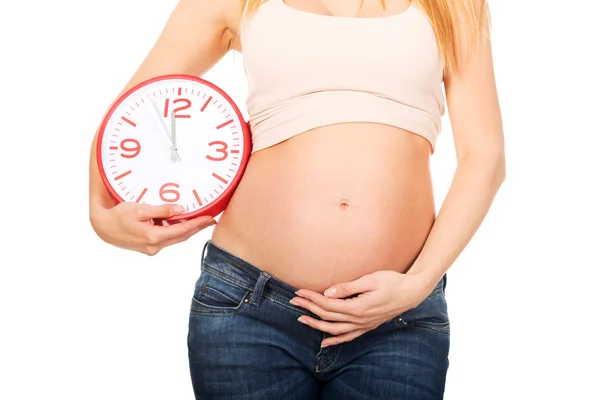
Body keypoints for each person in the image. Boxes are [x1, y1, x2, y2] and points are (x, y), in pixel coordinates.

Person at [88, 0, 504, 398]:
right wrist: (100, 212)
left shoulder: (452, 3)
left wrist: (418, 282)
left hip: (397, 317)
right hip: (249, 308)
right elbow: (133, 111)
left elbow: (484, 156)